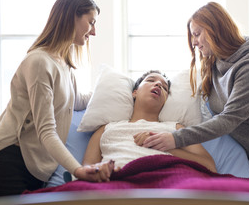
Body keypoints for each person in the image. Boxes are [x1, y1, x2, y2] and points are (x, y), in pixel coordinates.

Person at [141, 2, 249, 198]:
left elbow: (229, 119)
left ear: (215, 29)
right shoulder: (215, 63)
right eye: (192, 36)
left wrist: (175, 139)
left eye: (197, 33)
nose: (193, 42)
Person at [0, 0, 103, 198]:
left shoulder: (63, 64)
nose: (93, 32)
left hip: (34, 169)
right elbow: (46, 131)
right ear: (72, 16)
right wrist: (78, 169)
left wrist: (119, 91)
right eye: (91, 22)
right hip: (7, 161)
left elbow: (78, 101)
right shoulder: (39, 62)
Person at [82, 70, 216, 181]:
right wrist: (99, 170)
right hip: (118, 179)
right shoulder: (107, 129)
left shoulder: (175, 128)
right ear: (135, 92)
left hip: (168, 179)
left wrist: (163, 146)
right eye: (151, 80)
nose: (158, 84)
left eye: (164, 87)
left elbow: (209, 166)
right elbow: (86, 168)